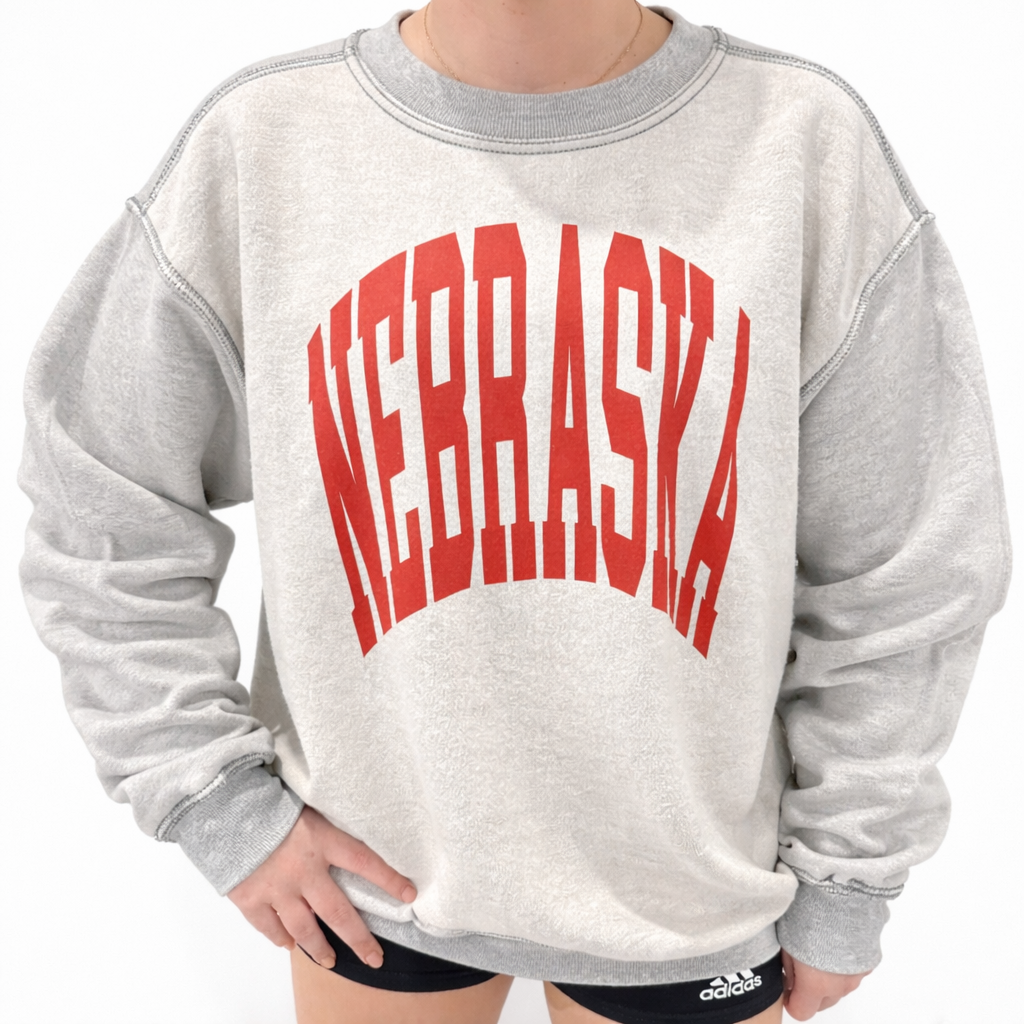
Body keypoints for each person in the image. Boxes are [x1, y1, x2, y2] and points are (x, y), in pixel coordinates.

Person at [17, 1, 1011, 1022]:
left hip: (692, 894)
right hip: (370, 884)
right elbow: (100, 491)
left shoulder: (801, 143)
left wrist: (850, 869)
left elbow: (908, 560)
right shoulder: (266, 142)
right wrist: (216, 801)